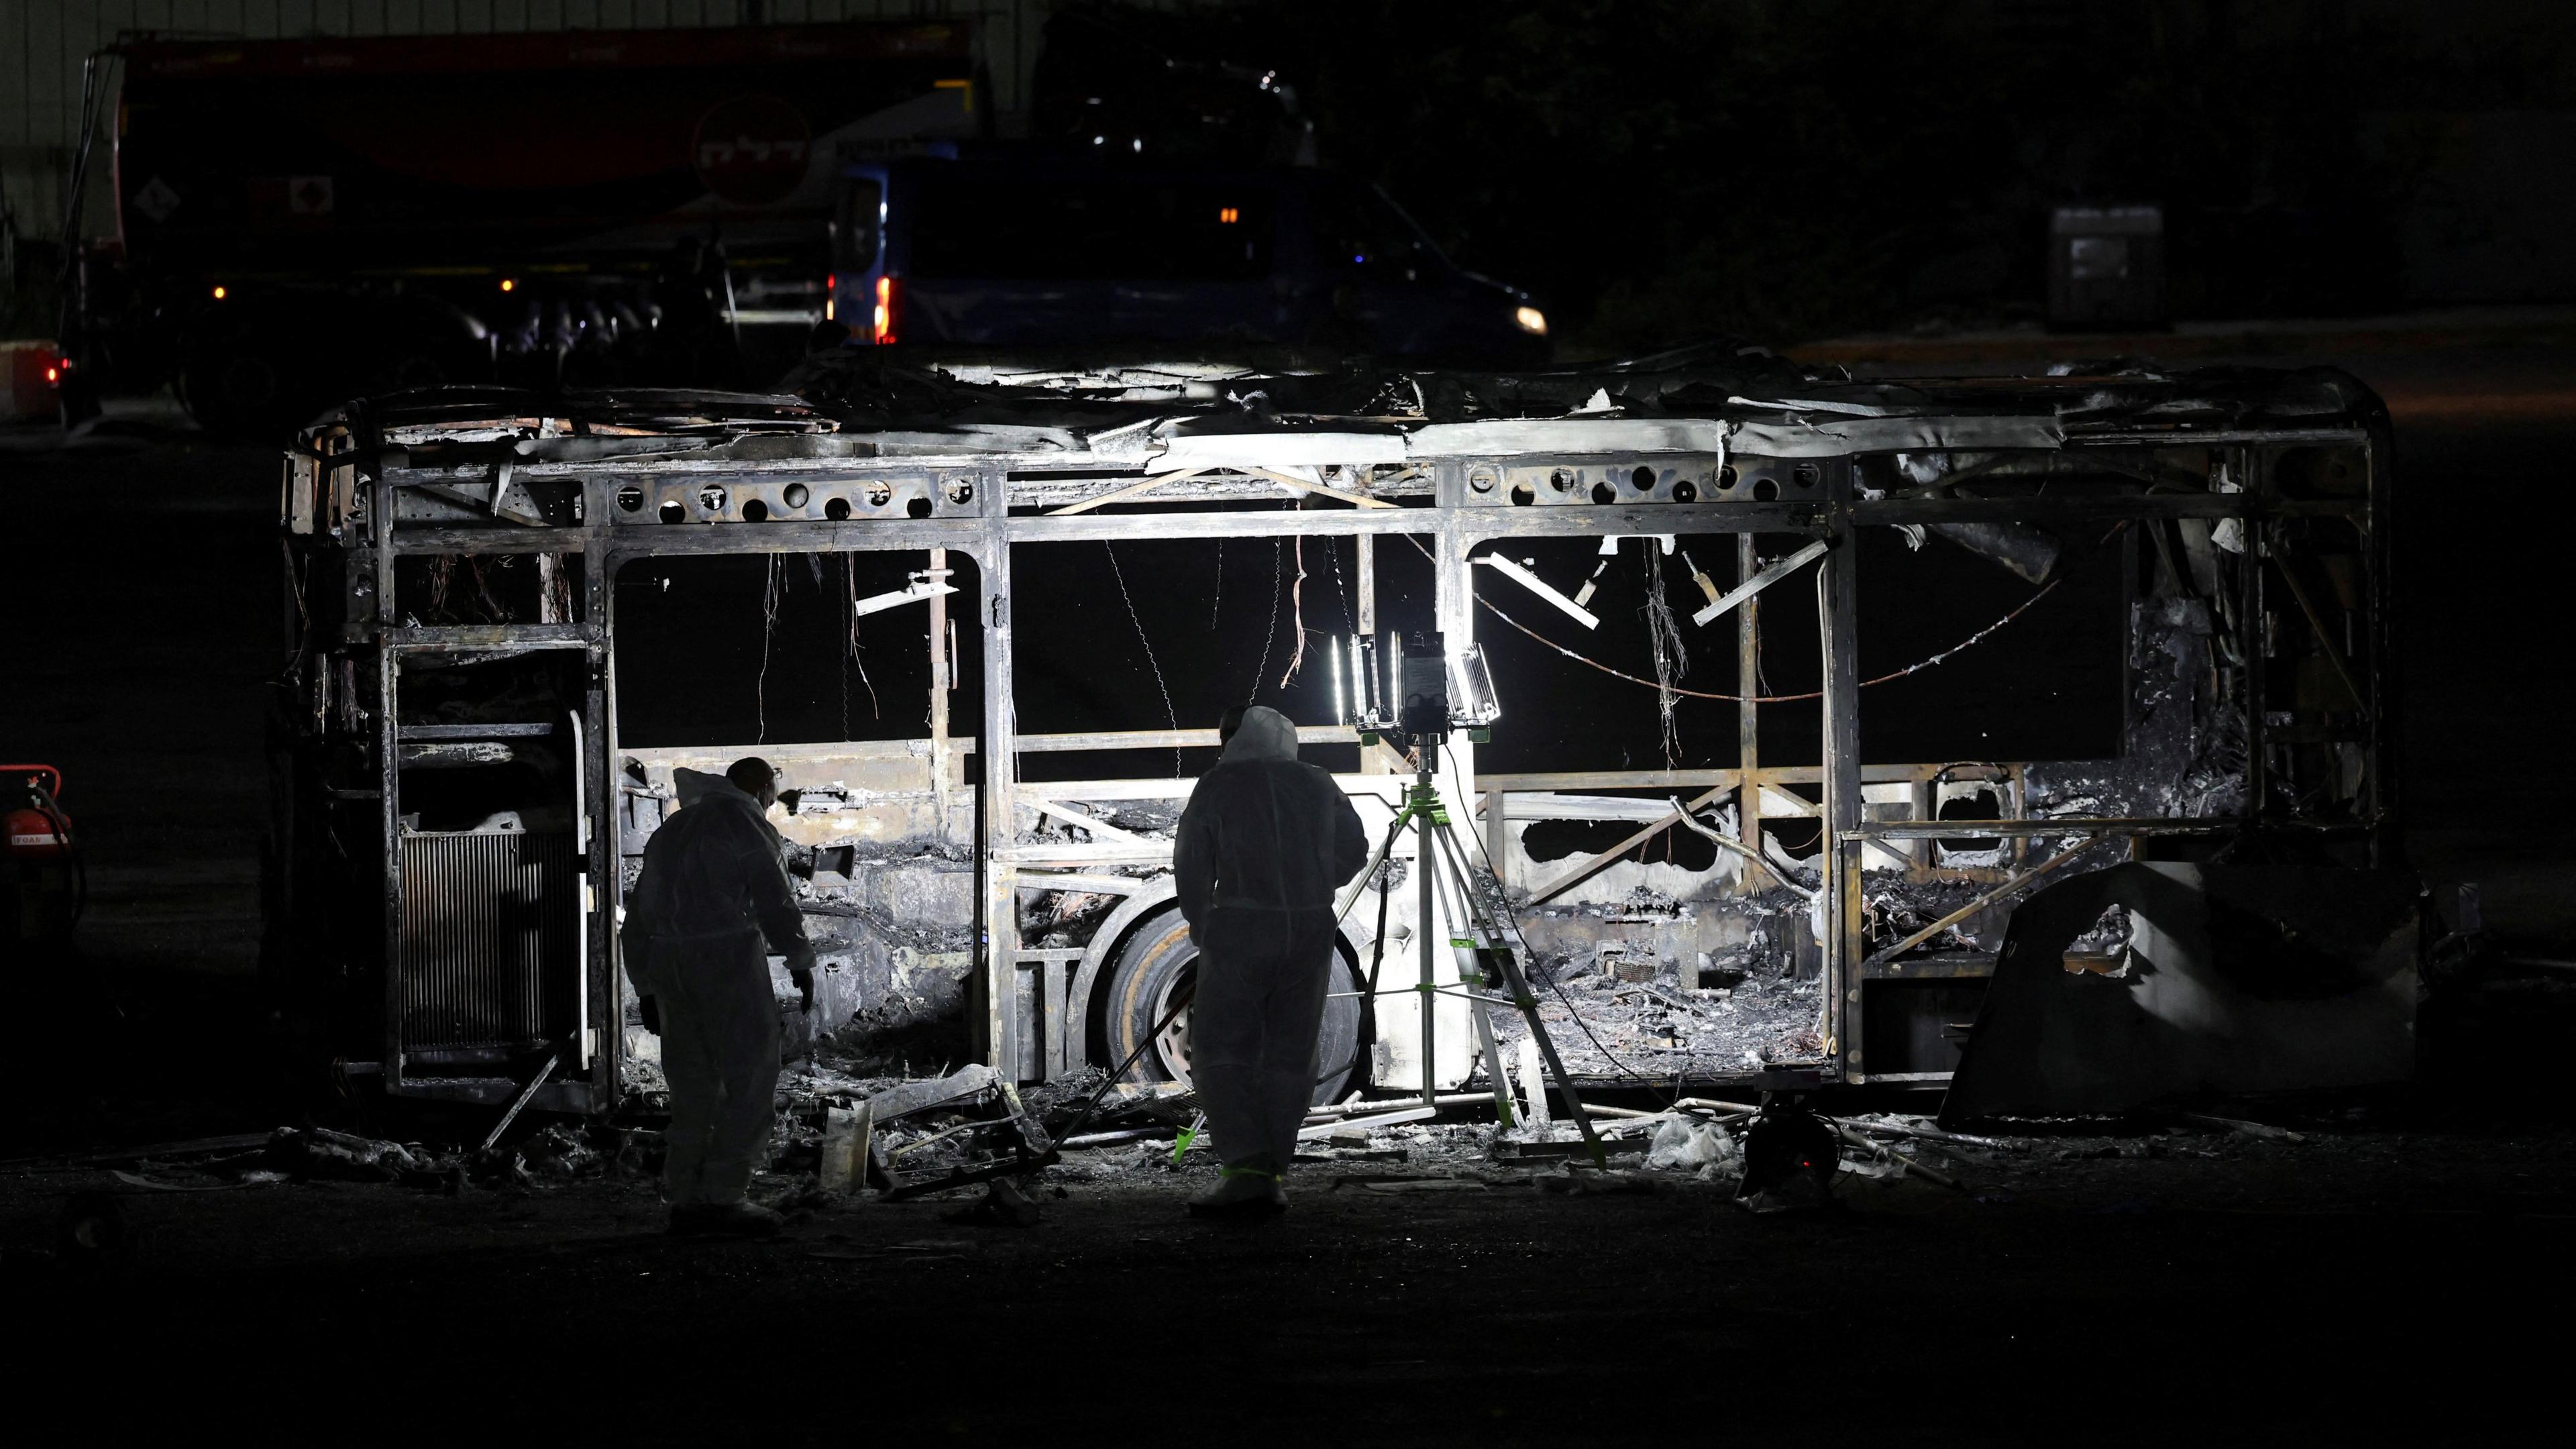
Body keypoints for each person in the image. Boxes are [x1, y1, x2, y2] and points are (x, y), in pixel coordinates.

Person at [1173, 704, 1368, 1218]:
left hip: (1241, 928)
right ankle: (1273, 1172)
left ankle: (1244, 1169)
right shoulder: (1318, 782)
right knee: (1291, 1049)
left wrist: (1203, 920)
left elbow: (1191, 861)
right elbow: (1355, 848)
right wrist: (1310, 885)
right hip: (1308, 927)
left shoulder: (1219, 784)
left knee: (1222, 1047)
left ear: (1232, 741)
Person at [623, 757, 816, 1236]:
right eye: (775, 784)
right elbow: (774, 897)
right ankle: (725, 1196)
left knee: (692, 1085)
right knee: (751, 1074)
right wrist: (800, 959)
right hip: (726, 959)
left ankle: (686, 1197)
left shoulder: (676, 828)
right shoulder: (745, 823)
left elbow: (640, 913)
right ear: (760, 784)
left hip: (671, 965)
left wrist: (646, 986)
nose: (776, 795)